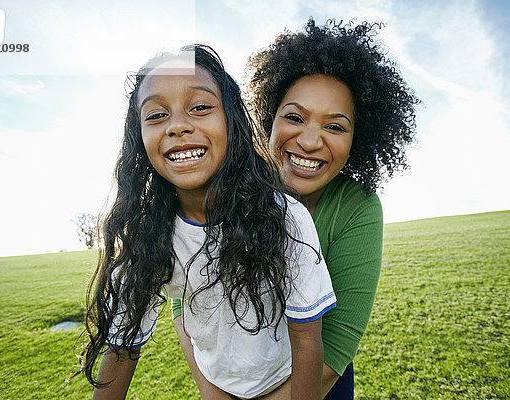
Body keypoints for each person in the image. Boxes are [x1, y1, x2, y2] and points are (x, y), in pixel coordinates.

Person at [173, 19, 418, 399]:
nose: (309, 140)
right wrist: (214, 394)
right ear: (267, 117)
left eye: (335, 127)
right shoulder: (223, 186)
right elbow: (185, 300)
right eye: (294, 117)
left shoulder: (357, 208)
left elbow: (335, 343)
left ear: (358, 139)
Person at [80, 44, 337, 400]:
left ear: (232, 121)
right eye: (155, 115)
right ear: (139, 139)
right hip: (216, 384)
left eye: (200, 107)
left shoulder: (286, 217)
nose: (178, 126)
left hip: (284, 380)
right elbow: (122, 349)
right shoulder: (145, 235)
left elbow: (307, 339)